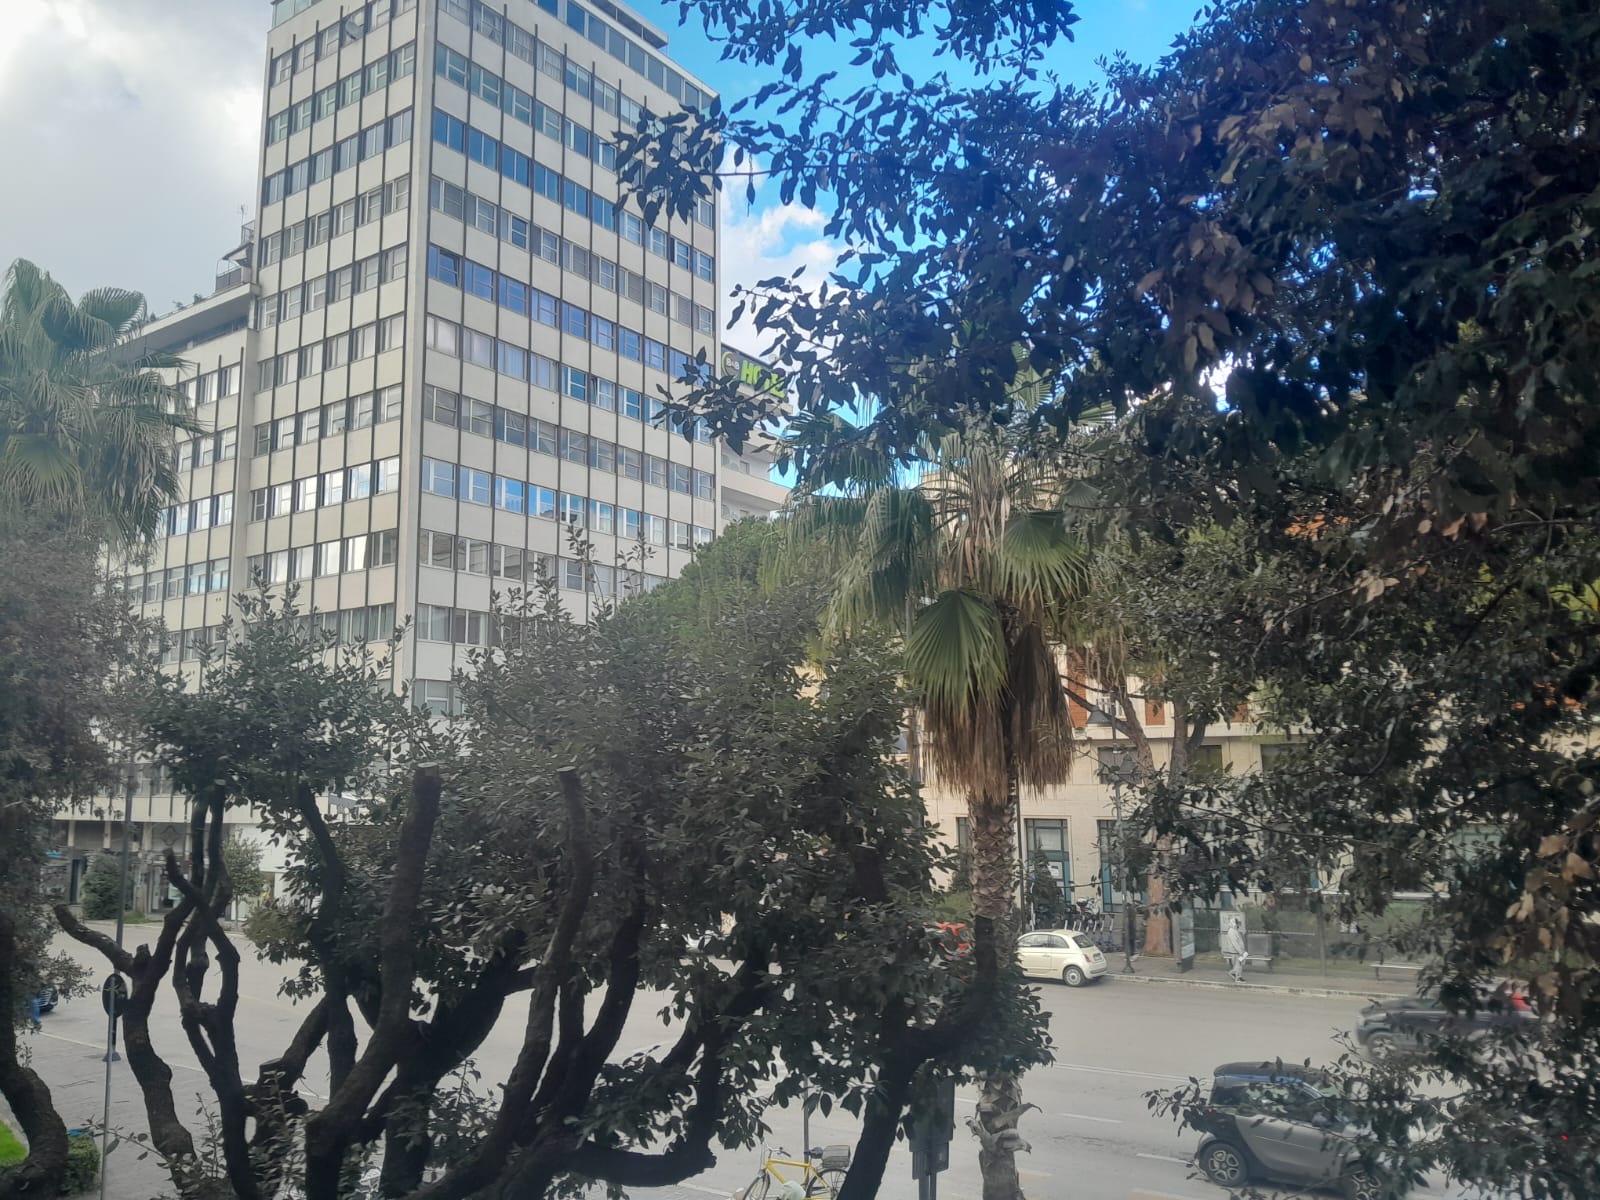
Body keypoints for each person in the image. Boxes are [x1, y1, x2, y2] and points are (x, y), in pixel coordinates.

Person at [1225, 914, 1249, 983]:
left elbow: (1238, 941)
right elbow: (1235, 943)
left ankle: (1237, 975)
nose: (1238, 924)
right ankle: (1236, 976)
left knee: (1239, 964)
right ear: (1234, 923)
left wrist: (1242, 950)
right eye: (1237, 923)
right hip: (1235, 951)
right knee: (1238, 964)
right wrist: (1241, 951)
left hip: (1237, 951)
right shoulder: (1231, 931)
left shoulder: (1234, 930)